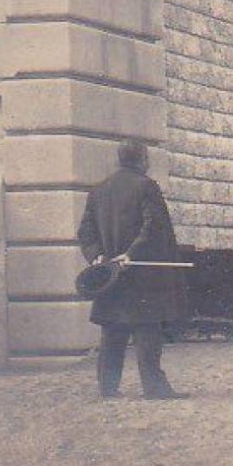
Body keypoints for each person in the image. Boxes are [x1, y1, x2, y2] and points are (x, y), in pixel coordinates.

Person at [77, 140, 188, 400]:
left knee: (112, 333)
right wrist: (132, 254)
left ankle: (108, 388)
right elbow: (154, 227)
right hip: (142, 275)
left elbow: (85, 232)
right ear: (142, 159)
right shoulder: (147, 186)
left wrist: (98, 257)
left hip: (110, 278)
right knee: (147, 332)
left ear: (119, 159)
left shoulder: (98, 190)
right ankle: (154, 388)